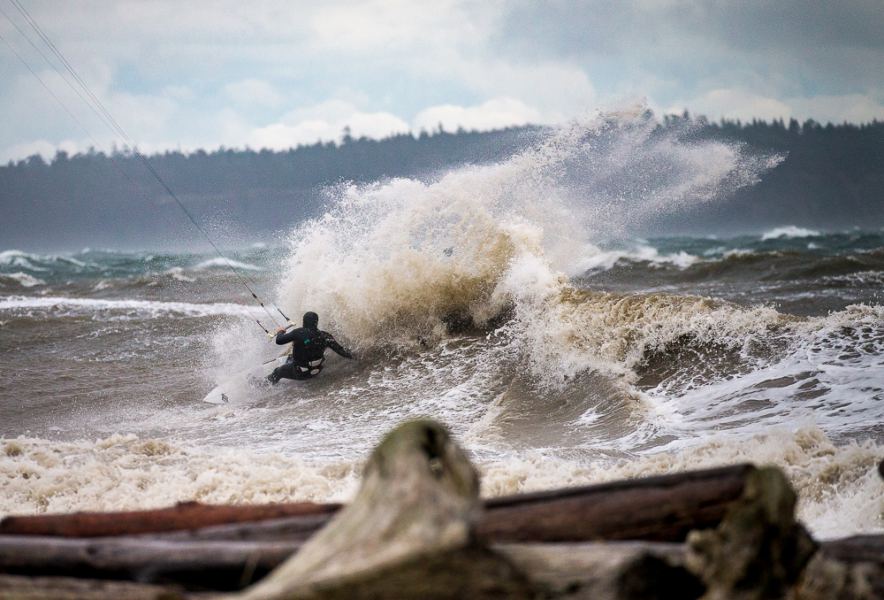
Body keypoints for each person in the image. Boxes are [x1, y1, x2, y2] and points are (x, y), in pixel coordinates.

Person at [267, 311, 353, 384]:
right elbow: (342, 352)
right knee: (290, 357)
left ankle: (265, 385)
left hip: (300, 373)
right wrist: (358, 355)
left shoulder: (298, 332)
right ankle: (290, 365)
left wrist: (280, 332)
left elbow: (279, 341)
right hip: (316, 371)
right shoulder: (326, 336)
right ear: (316, 322)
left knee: (278, 371)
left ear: (304, 322)